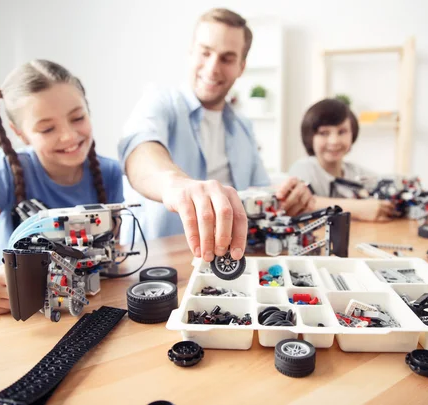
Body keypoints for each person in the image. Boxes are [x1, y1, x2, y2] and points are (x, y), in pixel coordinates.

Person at [119, 8, 313, 263]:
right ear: (191, 52)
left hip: (226, 264)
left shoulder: (243, 127)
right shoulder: (157, 102)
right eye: (205, 52)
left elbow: (259, 194)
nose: (212, 68)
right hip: (156, 267)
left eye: (227, 58)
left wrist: (286, 197)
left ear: (241, 67)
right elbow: (140, 152)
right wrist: (177, 185)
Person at [0, 60, 124, 314]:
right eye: (47, 128)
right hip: (26, 314)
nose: (68, 136)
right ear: (20, 133)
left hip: (85, 310)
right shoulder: (6, 170)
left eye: (77, 117)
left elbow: (109, 258)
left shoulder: (108, 172)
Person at [289, 98, 395, 222]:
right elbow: (299, 204)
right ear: (310, 137)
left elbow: (386, 184)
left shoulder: (356, 172)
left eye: (342, 132)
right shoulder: (303, 168)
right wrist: (358, 208)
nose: (334, 141)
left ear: (353, 133)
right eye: (324, 133)